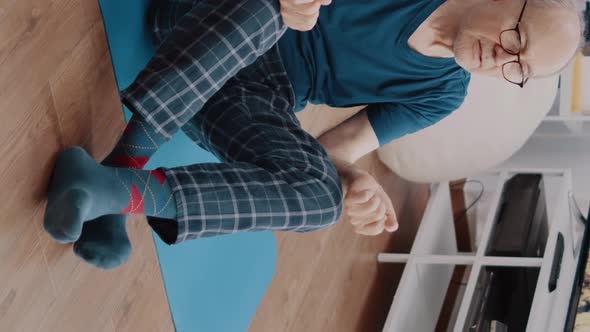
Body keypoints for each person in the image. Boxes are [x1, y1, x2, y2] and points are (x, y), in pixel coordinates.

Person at [43, 0, 583, 269]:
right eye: (519, 36)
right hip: (212, 17)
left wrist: (351, 180)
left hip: (248, 97)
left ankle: (114, 189)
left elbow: (333, 150)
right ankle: (124, 166)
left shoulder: (443, 93)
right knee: (273, 7)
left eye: (520, 69)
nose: (504, 59)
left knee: (321, 197)